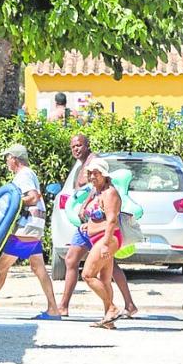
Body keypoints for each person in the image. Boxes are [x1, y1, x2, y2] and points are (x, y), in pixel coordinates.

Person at [0, 144, 62, 320]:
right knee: (38, 268)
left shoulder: (23, 175)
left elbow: (33, 196)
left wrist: (12, 204)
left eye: (7, 158)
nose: (6, 161)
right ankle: (53, 309)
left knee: (1, 266)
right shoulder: (28, 174)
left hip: (26, 228)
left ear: (14, 159)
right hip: (34, 227)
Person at [58, 133, 139, 318]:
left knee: (97, 270)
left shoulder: (95, 163)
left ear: (87, 145)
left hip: (100, 228)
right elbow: (93, 189)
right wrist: (85, 207)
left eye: (79, 145)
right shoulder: (84, 166)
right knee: (76, 261)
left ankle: (114, 307)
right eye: (73, 147)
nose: (76, 149)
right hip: (89, 224)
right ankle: (112, 310)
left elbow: (106, 209)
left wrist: (105, 239)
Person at [78, 159, 123, 329]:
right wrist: (88, 225)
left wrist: (105, 244)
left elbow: (111, 220)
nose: (92, 177)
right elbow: (99, 217)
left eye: (95, 173)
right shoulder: (97, 192)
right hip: (99, 238)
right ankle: (108, 321)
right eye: (89, 173)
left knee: (87, 275)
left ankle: (112, 308)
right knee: (104, 279)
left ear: (104, 175)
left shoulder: (110, 193)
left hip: (107, 239)